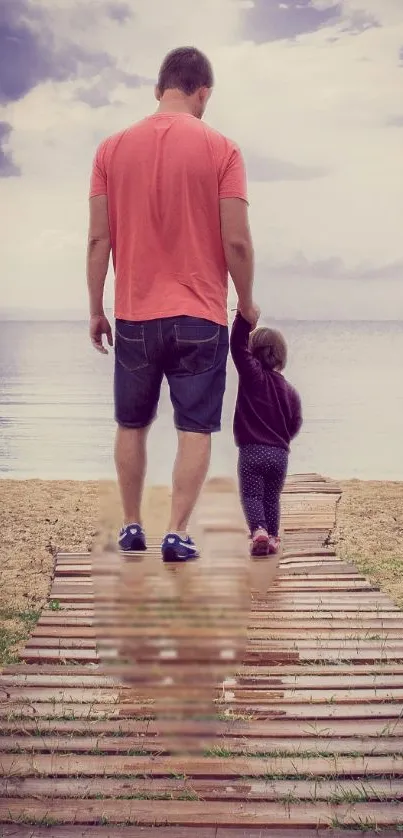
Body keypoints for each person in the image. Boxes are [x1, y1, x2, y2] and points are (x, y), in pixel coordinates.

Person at [86, 46, 259, 562]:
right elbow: (238, 243)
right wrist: (247, 303)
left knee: (131, 424)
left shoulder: (110, 149)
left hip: (135, 314)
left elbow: (99, 241)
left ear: (159, 89)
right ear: (202, 91)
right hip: (201, 315)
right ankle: (178, 533)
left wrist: (96, 307)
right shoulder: (223, 149)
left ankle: (133, 527)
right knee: (195, 428)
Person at [230, 312, 302, 556]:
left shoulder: (253, 377)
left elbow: (236, 346)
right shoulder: (290, 391)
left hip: (252, 451)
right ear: (281, 356)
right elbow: (296, 421)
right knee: (272, 497)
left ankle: (258, 530)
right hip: (279, 454)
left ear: (253, 353)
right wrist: (282, 440)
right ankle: (272, 537)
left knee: (251, 495)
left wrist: (244, 317)